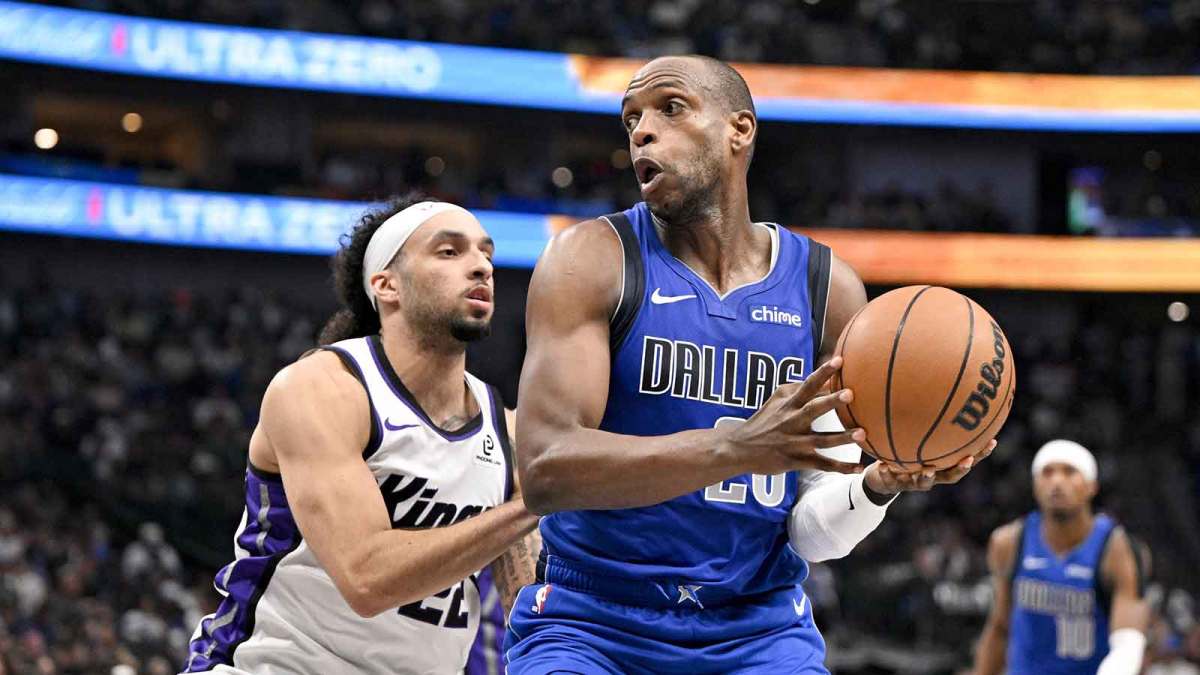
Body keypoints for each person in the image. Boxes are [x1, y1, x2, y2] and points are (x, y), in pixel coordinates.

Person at [506, 55, 996, 674]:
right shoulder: (592, 260)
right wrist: (737, 447)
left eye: (670, 108)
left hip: (755, 628)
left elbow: (813, 530)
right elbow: (547, 470)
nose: (641, 131)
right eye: (631, 118)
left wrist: (878, 486)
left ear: (740, 130)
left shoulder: (828, 291)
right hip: (595, 621)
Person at [181, 197, 540, 674]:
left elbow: (529, 606)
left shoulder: (506, 428)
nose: (480, 267)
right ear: (386, 285)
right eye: (449, 252)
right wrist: (536, 502)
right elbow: (367, 579)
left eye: (485, 253)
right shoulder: (323, 389)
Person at [974, 439, 1149, 674]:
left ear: (1092, 486)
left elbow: (1128, 644)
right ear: (1035, 485)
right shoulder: (1009, 541)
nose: (1057, 481)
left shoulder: (1117, 549)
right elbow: (999, 628)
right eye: (1047, 472)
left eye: (1070, 472)